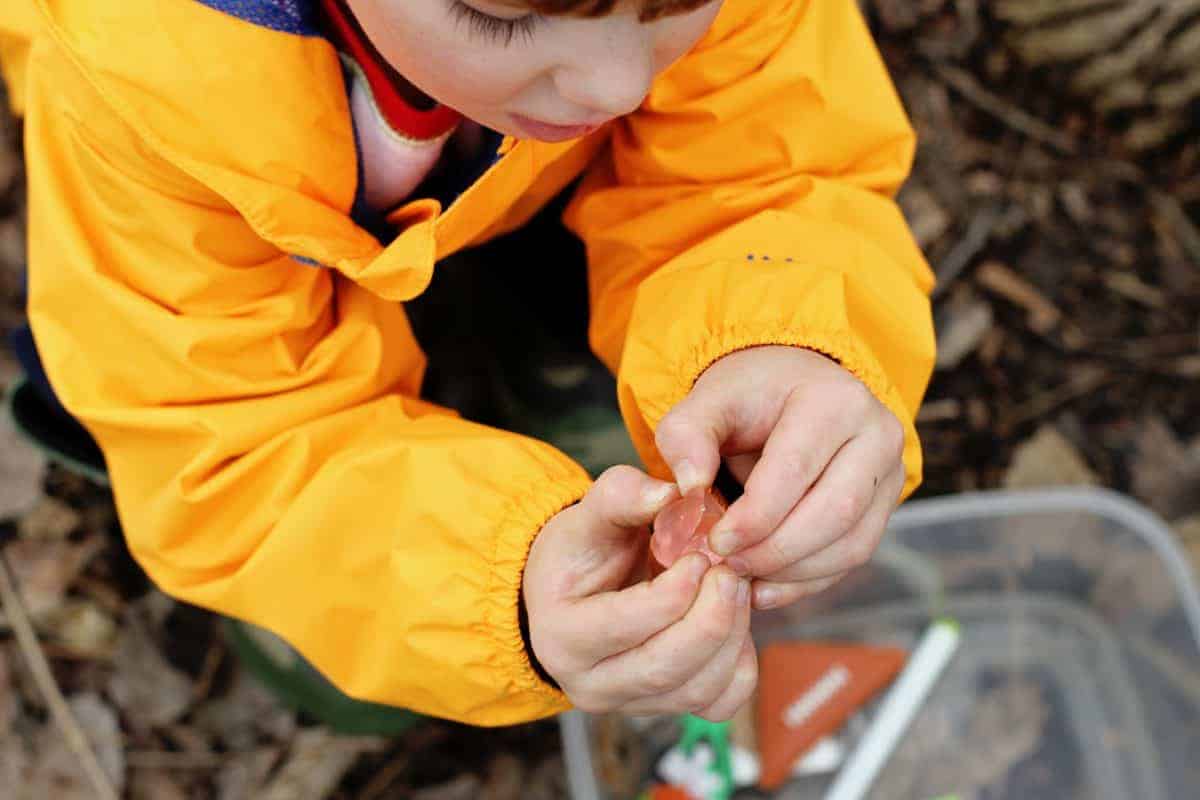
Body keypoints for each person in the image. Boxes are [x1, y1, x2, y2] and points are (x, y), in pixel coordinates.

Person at [0, 0, 936, 727]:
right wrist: (500, 591)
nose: (614, 85)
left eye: (673, 2)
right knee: (348, 670)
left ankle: (533, 329)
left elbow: (763, 168)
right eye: (502, 15)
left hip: (507, 178)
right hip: (211, 273)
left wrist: (785, 333)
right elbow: (227, 432)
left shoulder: (586, 60)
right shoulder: (141, 89)